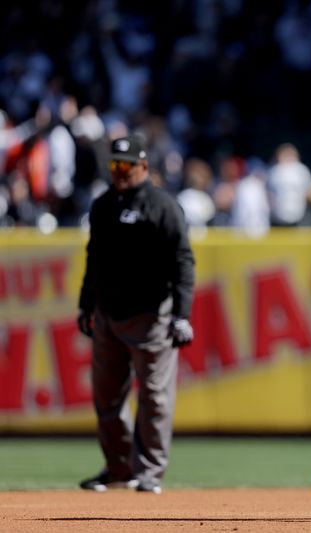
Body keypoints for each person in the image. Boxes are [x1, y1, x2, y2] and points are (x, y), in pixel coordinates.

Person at [76, 134, 195, 494]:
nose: (119, 172)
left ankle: (149, 473)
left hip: (152, 315)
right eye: (114, 165)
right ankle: (118, 468)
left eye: (126, 165)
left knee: (155, 397)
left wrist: (181, 314)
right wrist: (85, 303)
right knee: (107, 396)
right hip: (109, 314)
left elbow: (182, 261)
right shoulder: (102, 205)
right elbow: (93, 258)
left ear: (144, 166)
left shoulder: (163, 206)